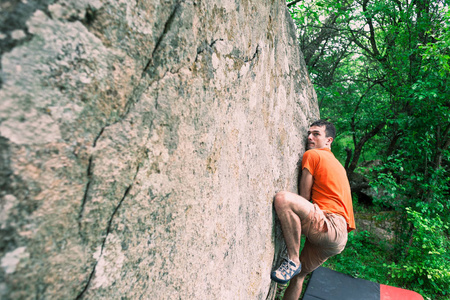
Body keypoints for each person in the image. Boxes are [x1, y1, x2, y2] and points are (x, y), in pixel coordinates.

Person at [270, 119, 355, 300]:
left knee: (283, 199)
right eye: (309, 133)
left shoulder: (314, 155)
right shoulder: (339, 166)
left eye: (316, 134)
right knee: (299, 276)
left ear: (328, 140)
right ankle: (295, 267)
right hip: (338, 240)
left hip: (329, 224)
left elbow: (304, 198)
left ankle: (292, 259)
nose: (310, 137)